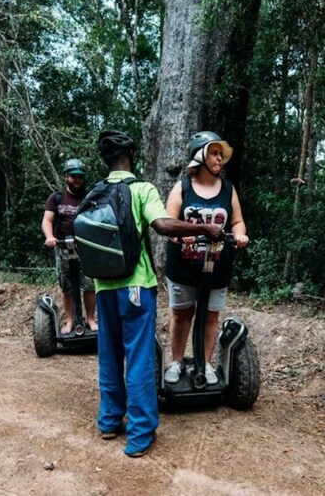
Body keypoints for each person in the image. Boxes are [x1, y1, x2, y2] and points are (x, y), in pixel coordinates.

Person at [91, 130, 222, 458]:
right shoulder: (140, 189)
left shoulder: (95, 192)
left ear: (105, 160)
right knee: (138, 357)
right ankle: (139, 436)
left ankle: (108, 422)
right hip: (136, 286)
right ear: (131, 157)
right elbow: (162, 225)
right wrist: (203, 228)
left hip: (103, 287)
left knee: (109, 354)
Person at [163, 131, 250, 386]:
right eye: (214, 153)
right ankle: (177, 362)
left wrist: (240, 235)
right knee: (182, 315)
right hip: (183, 266)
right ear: (199, 154)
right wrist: (182, 236)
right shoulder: (183, 188)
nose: (219, 159)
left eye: (221, 155)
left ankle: (206, 363)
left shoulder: (228, 189)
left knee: (211, 316)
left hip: (217, 266)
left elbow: (237, 221)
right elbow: (168, 223)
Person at [42, 158, 97, 333]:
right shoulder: (56, 198)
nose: (77, 180)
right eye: (73, 176)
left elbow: (98, 219)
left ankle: (90, 319)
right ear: (66, 177)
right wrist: (50, 237)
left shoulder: (90, 197)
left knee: (89, 285)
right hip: (62, 247)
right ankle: (70, 321)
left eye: (80, 177)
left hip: (86, 247)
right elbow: (47, 220)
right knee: (67, 286)